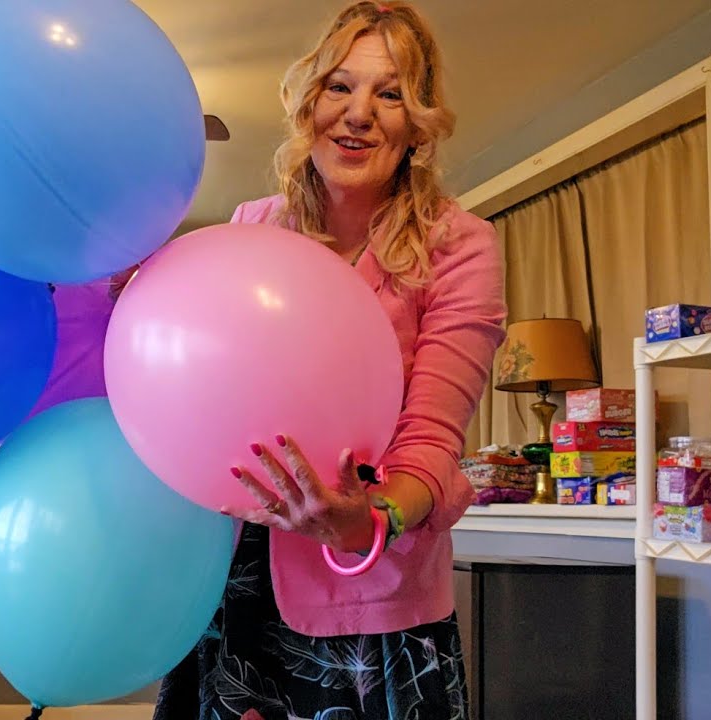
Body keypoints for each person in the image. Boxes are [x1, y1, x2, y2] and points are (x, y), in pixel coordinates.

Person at [151, 3, 507, 719]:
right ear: (309, 101)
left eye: (390, 94)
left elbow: (432, 439)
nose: (359, 114)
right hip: (235, 575)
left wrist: (371, 521)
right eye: (339, 86)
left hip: (371, 597)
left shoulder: (460, 247)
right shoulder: (254, 228)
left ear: (417, 125)